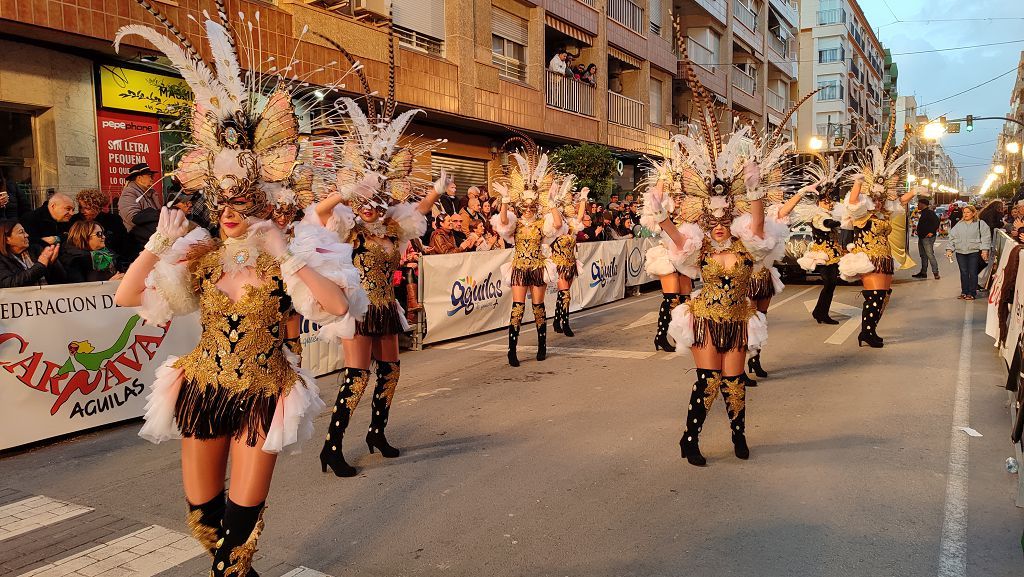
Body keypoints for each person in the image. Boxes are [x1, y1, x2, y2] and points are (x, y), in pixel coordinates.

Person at [111, 14, 366, 577]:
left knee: (241, 527)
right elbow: (129, 297)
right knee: (203, 518)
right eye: (222, 205)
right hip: (202, 388)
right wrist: (156, 243)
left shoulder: (285, 255)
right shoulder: (197, 256)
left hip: (263, 392)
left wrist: (286, 252)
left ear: (259, 203)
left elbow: (339, 307)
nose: (229, 214)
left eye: (241, 205)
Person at [308, 56, 443, 477]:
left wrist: (436, 193)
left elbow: (415, 211)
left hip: (386, 307)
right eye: (363, 200)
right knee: (357, 376)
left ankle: (376, 433)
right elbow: (315, 214)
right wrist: (343, 191)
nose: (369, 207)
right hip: (357, 308)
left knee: (391, 372)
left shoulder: (390, 227)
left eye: (375, 199)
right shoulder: (348, 227)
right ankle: (331, 447)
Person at [838, 121, 921, 348]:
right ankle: (866, 332)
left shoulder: (883, 213)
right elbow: (853, 201)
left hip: (884, 257)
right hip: (868, 258)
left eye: (882, 197)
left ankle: (870, 330)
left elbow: (899, 201)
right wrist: (858, 183)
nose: (879, 200)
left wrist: (915, 191)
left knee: (884, 295)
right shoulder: (862, 214)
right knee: (874, 294)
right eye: (876, 197)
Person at [491, 135, 563, 367]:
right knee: (517, 309)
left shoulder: (543, 223)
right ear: (520, 206)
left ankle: (542, 345)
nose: (529, 209)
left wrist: (551, 203)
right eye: (526, 206)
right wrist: (503, 200)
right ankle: (512, 350)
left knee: (539, 308)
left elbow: (559, 225)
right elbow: (502, 222)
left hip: (538, 267)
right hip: (519, 268)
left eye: (533, 206)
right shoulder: (516, 223)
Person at [550, 184, 587, 337]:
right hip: (558, 263)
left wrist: (583, 199)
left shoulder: (571, 225)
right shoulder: (554, 225)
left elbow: (579, 217)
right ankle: (565, 322)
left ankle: (556, 319)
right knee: (565, 293)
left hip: (571, 263)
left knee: (563, 293)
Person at [70, 188, 130, 269]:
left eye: (87, 208)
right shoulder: (74, 221)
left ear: (98, 207)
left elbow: (124, 243)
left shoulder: (113, 220)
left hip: (115, 261)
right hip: (86, 262)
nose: (82, 211)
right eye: (80, 207)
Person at [0, 220, 65, 287]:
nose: (27, 235)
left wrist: (51, 263)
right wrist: (41, 265)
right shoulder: (2, 259)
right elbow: (8, 283)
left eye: (25, 231)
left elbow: (62, 278)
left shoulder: (36, 249)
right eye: (21, 232)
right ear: (7, 239)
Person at [947, 204, 991, 300]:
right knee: (963, 272)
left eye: (968, 212)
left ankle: (972, 293)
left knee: (973, 272)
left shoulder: (980, 224)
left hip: (973, 251)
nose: (965, 214)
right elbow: (952, 237)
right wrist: (949, 249)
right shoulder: (959, 224)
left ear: (973, 213)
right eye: (964, 212)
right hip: (960, 252)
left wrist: (984, 250)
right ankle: (964, 292)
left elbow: (985, 237)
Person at [117, 163, 160, 256]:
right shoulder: (129, 193)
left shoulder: (151, 194)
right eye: (149, 175)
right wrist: (158, 215)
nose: (152, 178)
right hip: (139, 241)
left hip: (152, 238)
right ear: (139, 178)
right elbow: (132, 217)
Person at [59, 221, 124, 282]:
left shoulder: (108, 254)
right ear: (84, 236)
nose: (104, 237)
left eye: (103, 233)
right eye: (99, 234)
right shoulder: (74, 261)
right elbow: (79, 289)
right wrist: (110, 283)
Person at [912, 197, 941, 280]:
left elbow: (936, 221)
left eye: (918, 204)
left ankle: (935, 273)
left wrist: (931, 232)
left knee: (929, 255)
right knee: (923, 255)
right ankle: (923, 272)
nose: (917, 205)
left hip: (927, 238)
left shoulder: (929, 212)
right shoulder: (924, 213)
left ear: (922, 204)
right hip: (922, 237)